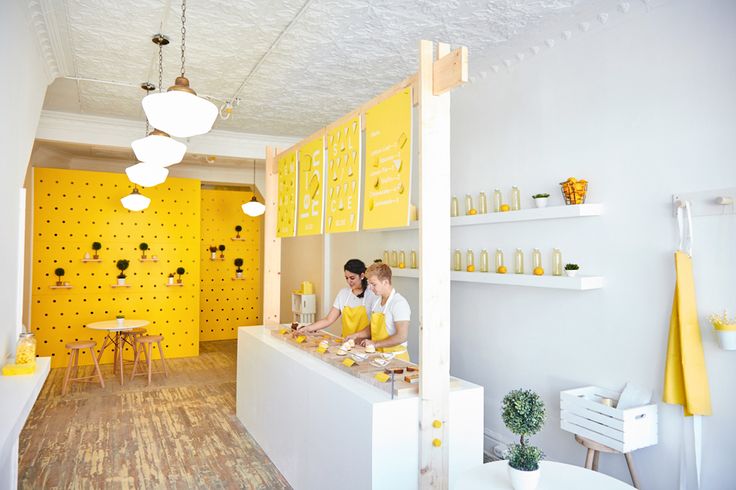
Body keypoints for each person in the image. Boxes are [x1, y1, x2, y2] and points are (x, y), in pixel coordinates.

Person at [346, 262, 411, 362]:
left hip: (396, 359)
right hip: (378, 357)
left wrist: (375, 344)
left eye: (373, 284)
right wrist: (356, 335)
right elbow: (372, 327)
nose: (370, 288)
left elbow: (401, 336)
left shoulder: (399, 303)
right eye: (369, 284)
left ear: (385, 282)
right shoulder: (377, 301)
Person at [297, 259, 376, 338]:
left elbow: (373, 326)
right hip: (346, 343)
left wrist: (356, 336)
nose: (349, 281)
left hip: (365, 345)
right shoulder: (343, 294)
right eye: (346, 278)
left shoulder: (372, 295)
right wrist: (307, 328)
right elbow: (328, 319)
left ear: (362, 276)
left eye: (352, 278)